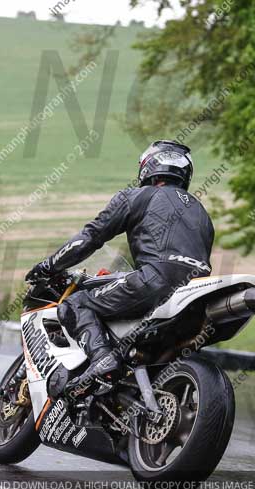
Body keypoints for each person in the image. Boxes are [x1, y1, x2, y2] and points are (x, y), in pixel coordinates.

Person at [25, 140, 215, 392]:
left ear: (148, 167)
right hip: (196, 291)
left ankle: (103, 359)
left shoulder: (137, 196)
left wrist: (49, 265)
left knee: (76, 304)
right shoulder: (201, 213)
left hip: (156, 279)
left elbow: (90, 237)